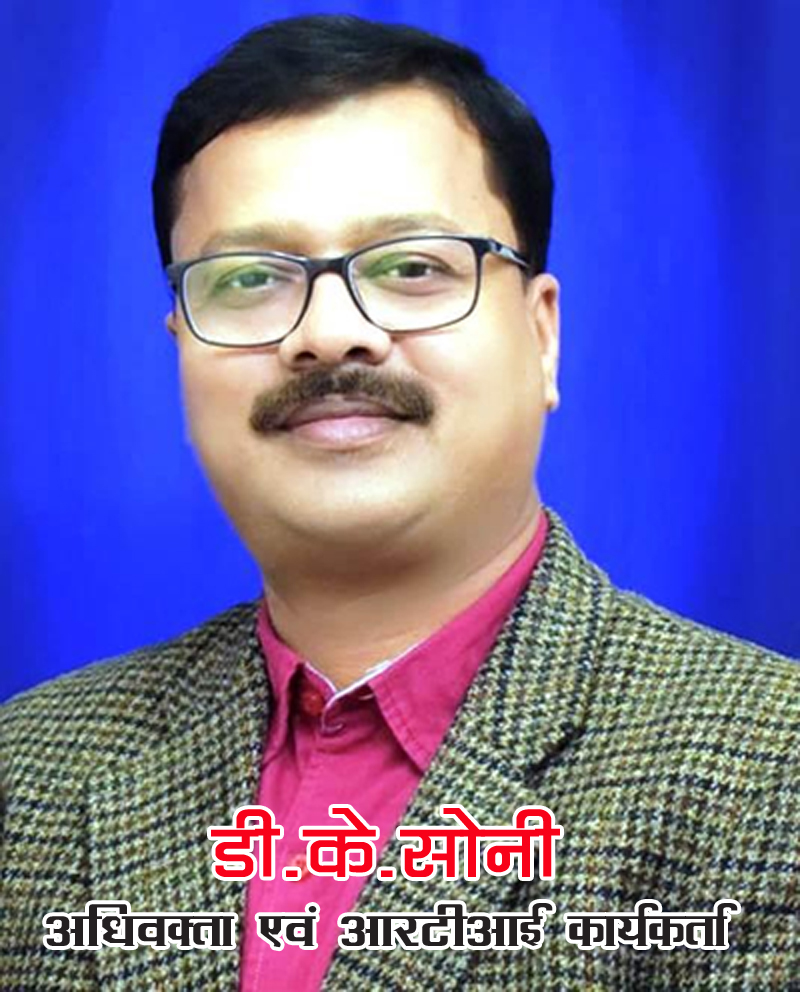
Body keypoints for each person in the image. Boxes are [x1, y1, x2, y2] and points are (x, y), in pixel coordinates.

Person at [1, 13, 797, 992]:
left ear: (541, 336)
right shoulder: (28, 768)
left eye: (412, 266)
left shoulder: (770, 770)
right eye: (249, 278)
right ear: (180, 349)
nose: (330, 333)